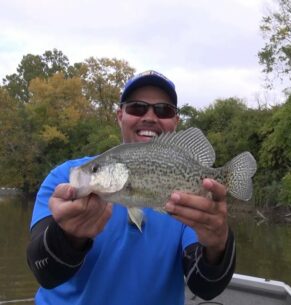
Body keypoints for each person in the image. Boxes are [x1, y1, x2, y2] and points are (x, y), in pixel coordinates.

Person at [27, 70, 236, 305]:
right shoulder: (65, 178)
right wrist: (68, 238)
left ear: (175, 122)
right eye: (137, 107)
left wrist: (218, 244)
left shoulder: (191, 200)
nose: (149, 117)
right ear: (120, 115)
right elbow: (44, 272)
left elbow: (205, 287)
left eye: (163, 110)